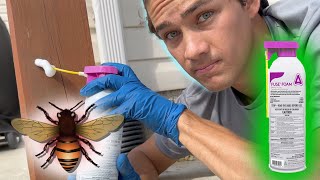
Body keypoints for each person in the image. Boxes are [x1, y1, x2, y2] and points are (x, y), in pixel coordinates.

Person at [80, 0, 320, 179]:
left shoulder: (313, 38)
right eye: (172, 34)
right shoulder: (206, 99)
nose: (192, 51)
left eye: (205, 16)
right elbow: (145, 158)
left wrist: (180, 123)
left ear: (249, 3)